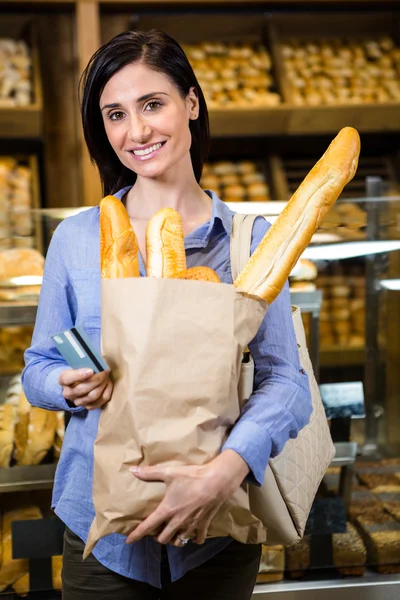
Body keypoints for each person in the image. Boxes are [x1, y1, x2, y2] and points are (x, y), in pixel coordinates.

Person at [22, 30, 312, 600]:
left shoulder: (250, 243)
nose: (137, 131)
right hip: (100, 535)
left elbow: (286, 382)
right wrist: (65, 383)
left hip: (217, 536)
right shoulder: (78, 240)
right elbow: (36, 367)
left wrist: (225, 471)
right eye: (115, 114)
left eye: (153, 104)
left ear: (192, 103)